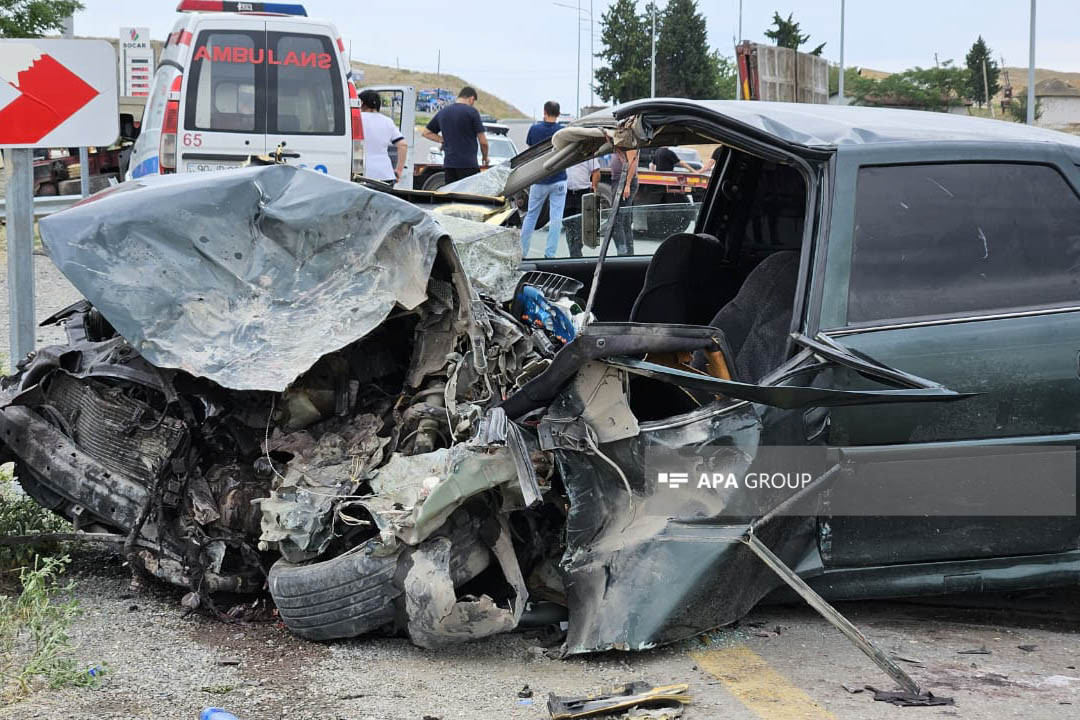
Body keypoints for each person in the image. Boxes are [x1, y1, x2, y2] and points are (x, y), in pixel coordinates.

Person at [519, 101, 568, 258]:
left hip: (539, 178)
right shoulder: (563, 132)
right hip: (559, 179)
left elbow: (529, 153)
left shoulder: (534, 129)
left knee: (531, 215)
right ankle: (550, 254)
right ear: (559, 114)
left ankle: (523, 252)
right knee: (556, 218)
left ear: (544, 112)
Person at [422, 86, 489, 183]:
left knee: (452, 195)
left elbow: (426, 133)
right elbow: (483, 143)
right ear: (471, 99)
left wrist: (442, 139)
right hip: (468, 165)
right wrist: (485, 157)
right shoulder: (472, 112)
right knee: (469, 196)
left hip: (450, 166)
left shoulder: (443, 112)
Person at [358, 90, 407, 184]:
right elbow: (403, 145)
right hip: (385, 174)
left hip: (363, 174)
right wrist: (398, 171)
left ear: (362, 103)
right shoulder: (387, 121)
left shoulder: (356, 119)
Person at [564, 157, 600, 257]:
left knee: (579, 227)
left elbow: (596, 172)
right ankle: (574, 253)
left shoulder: (588, 154)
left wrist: (594, 187)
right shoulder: (565, 153)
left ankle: (575, 254)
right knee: (568, 227)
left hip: (583, 193)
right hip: (567, 194)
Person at [609, 147, 639, 256]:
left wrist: (627, 184)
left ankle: (622, 252)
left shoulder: (630, 144)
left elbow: (633, 162)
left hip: (623, 182)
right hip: (619, 180)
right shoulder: (622, 144)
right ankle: (628, 253)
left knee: (616, 221)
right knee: (624, 221)